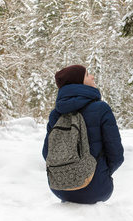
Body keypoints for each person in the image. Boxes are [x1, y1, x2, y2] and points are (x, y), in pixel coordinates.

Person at [42, 64, 124, 204]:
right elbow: (116, 154)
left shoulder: (56, 113)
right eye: (87, 74)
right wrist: (101, 174)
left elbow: (47, 153)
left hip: (60, 188)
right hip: (97, 189)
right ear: (78, 82)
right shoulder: (101, 109)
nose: (92, 76)